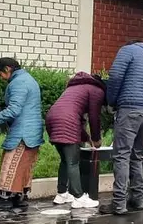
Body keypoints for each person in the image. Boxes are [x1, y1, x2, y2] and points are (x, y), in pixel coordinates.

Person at [105, 40, 143, 215]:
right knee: (136, 155)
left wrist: (111, 101)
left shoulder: (127, 50)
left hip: (130, 109)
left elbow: (115, 77)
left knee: (121, 155)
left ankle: (118, 203)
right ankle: (138, 199)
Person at [0, 58, 44, 212]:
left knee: (11, 163)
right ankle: (19, 198)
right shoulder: (28, 79)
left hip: (23, 132)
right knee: (24, 165)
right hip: (32, 130)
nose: (1, 78)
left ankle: (7, 198)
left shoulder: (18, 82)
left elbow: (14, 110)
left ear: (7, 69)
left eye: (1, 74)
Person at [45, 72, 106, 210]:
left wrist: (87, 138)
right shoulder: (96, 90)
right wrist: (96, 139)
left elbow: (73, 116)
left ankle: (61, 194)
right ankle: (79, 198)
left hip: (51, 119)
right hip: (67, 121)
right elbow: (94, 117)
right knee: (73, 162)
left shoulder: (73, 87)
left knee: (65, 160)